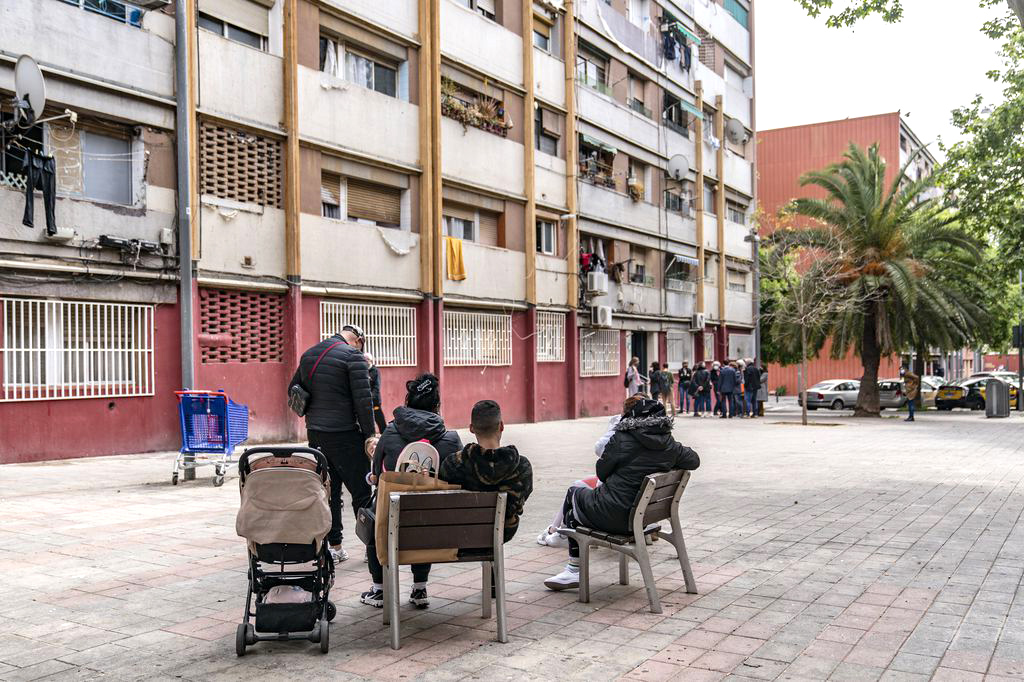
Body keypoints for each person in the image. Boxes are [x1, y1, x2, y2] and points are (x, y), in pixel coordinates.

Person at [544, 397, 700, 591]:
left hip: (615, 514)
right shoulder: (670, 445)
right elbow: (694, 460)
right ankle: (563, 540)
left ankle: (572, 567)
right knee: (580, 499)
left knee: (573, 495)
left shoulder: (622, 438)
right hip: (644, 519)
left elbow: (602, 472)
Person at [362, 373, 462, 609]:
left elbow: (376, 475)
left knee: (375, 515)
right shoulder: (451, 439)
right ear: (436, 405)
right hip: (436, 528)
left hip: (391, 525)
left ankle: (379, 590)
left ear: (408, 401)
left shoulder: (388, 433)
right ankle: (419, 588)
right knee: (425, 508)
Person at [289, 324, 375, 564]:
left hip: (315, 435)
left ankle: (335, 547)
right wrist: (369, 435)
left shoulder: (309, 354)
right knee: (361, 492)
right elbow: (363, 400)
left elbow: (293, 390)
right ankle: (372, 547)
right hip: (346, 435)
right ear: (358, 339)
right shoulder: (353, 357)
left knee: (329, 493)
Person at [439, 400, 533, 545]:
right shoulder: (522, 467)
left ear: (471, 428)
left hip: (461, 532)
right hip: (502, 532)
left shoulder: (453, 464)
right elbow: (520, 502)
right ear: (501, 426)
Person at [366, 352, 388, 434]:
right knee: (368, 421)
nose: (365, 361)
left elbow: (376, 387)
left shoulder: (375, 371)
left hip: (374, 401)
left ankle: (385, 434)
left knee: (380, 420)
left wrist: (370, 397)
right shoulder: (363, 370)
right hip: (365, 401)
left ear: (371, 361)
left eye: (367, 360)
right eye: (364, 360)